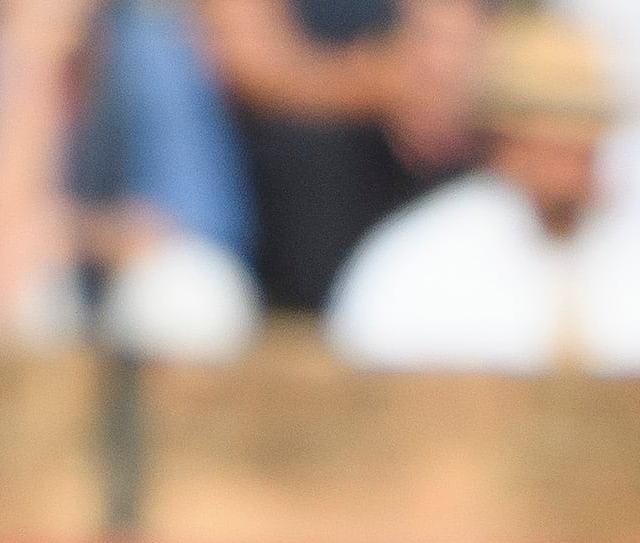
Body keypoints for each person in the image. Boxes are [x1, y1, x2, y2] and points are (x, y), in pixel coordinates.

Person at [324, 6, 640, 364]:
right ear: (507, 140)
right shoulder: (420, 261)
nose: (572, 152)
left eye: (585, 130)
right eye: (552, 129)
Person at [0, 0, 262, 350]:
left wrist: (69, 232)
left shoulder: (152, 46)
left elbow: (199, 226)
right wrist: (26, 65)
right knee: (13, 297)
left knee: (192, 296)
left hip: (116, 288)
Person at [199, 0, 486, 313]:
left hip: (418, 153)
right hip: (295, 172)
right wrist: (376, 86)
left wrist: (436, 85)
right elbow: (249, 68)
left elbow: (453, 31)